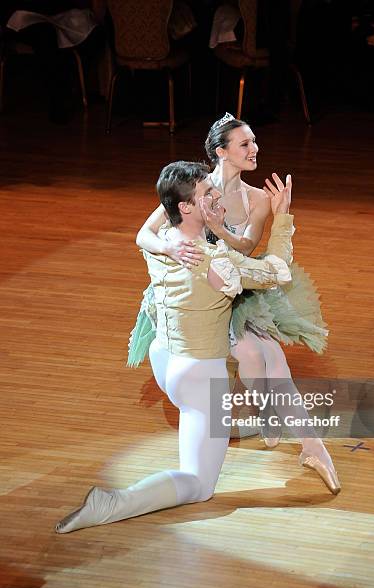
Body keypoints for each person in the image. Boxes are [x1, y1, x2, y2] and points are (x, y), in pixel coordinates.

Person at [55, 161, 339, 534]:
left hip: (163, 362)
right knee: (199, 485)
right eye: (208, 194)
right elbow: (277, 269)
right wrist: (282, 217)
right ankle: (113, 503)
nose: (217, 196)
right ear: (186, 207)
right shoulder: (218, 261)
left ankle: (281, 420)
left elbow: (146, 230)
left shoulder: (164, 243)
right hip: (200, 377)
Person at [133, 113, 328, 448]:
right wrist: (169, 246)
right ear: (221, 152)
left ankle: (274, 417)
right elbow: (143, 234)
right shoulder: (196, 188)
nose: (255, 148)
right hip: (198, 290)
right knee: (254, 354)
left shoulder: (258, 199)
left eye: (253, 141)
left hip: (239, 284)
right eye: (245, 143)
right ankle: (273, 417)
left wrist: (220, 228)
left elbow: (248, 247)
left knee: (268, 355)